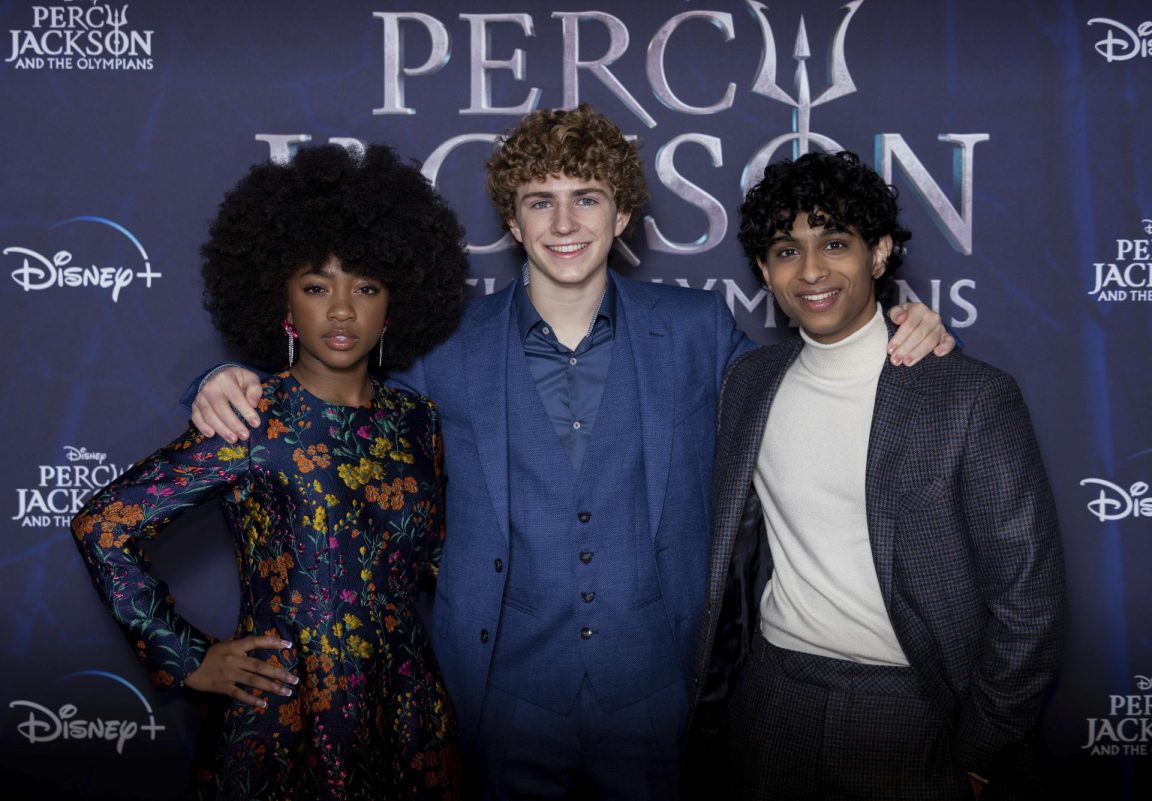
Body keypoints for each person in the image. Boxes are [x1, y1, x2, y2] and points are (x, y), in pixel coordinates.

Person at [190, 106, 954, 800]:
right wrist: (227, 379)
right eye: (539, 201)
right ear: (514, 224)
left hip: (659, 699)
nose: (564, 222)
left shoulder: (695, 329)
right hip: (497, 695)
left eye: (586, 198)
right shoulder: (444, 346)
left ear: (621, 214)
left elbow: (802, 387)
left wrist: (895, 328)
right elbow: (332, 390)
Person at [71, 143, 468, 801]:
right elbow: (102, 527)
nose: (341, 310)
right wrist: (190, 656)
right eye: (317, 287)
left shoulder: (417, 420)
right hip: (285, 713)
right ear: (283, 304)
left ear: (393, 303)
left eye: (365, 286)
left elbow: (438, 563)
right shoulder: (255, 416)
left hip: (407, 709)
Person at [688, 151, 1066, 800]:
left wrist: (981, 752)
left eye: (835, 243)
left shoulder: (969, 395)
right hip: (772, 698)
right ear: (763, 268)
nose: (811, 270)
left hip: (911, 708)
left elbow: (1028, 596)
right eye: (785, 250)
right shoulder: (748, 383)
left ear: (881, 251)